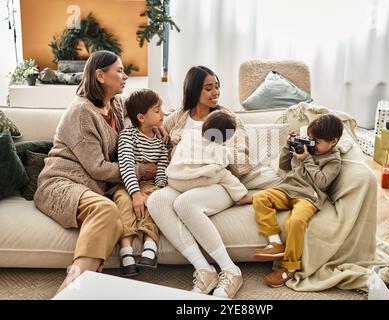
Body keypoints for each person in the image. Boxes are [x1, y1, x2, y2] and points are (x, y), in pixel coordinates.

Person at [34, 50, 163, 293]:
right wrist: (142, 170)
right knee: (106, 209)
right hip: (61, 183)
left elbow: (145, 113)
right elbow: (98, 168)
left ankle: (77, 291)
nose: (125, 76)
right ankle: (70, 290)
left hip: (92, 188)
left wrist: (160, 125)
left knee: (109, 210)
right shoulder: (81, 112)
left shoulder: (116, 104)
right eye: (120, 71)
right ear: (100, 75)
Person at [148, 66, 281, 299]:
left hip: (218, 182)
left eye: (217, 86)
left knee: (185, 204)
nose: (215, 92)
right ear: (193, 90)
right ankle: (204, 269)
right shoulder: (178, 117)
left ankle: (231, 271)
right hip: (185, 180)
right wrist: (174, 148)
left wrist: (216, 152)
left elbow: (243, 163)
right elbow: (161, 143)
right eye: (208, 88)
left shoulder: (229, 120)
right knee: (157, 200)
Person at [252, 114, 343, 287]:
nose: (311, 144)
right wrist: (288, 146)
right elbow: (284, 166)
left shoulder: (333, 160)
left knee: (295, 221)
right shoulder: (307, 146)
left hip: (309, 197)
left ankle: (290, 267)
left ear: (333, 141)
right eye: (309, 139)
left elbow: (322, 182)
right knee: (259, 197)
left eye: (316, 142)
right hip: (288, 189)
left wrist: (307, 159)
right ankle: (275, 243)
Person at [115, 89, 169, 277]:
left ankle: (149, 248)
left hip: (151, 184)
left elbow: (163, 166)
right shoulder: (127, 135)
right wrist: (135, 193)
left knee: (154, 203)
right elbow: (127, 166)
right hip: (128, 184)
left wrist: (159, 187)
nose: (162, 113)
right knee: (124, 203)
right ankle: (126, 253)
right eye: (157, 110)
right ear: (141, 117)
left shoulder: (161, 140)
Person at [165, 109, 251, 205]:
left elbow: (174, 154)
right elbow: (225, 164)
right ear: (226, 138)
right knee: (223, 173)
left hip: (173, 180)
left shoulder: (189, 135)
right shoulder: (220, 150)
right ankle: (242, 196)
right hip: (192, 182)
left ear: (204, 125)